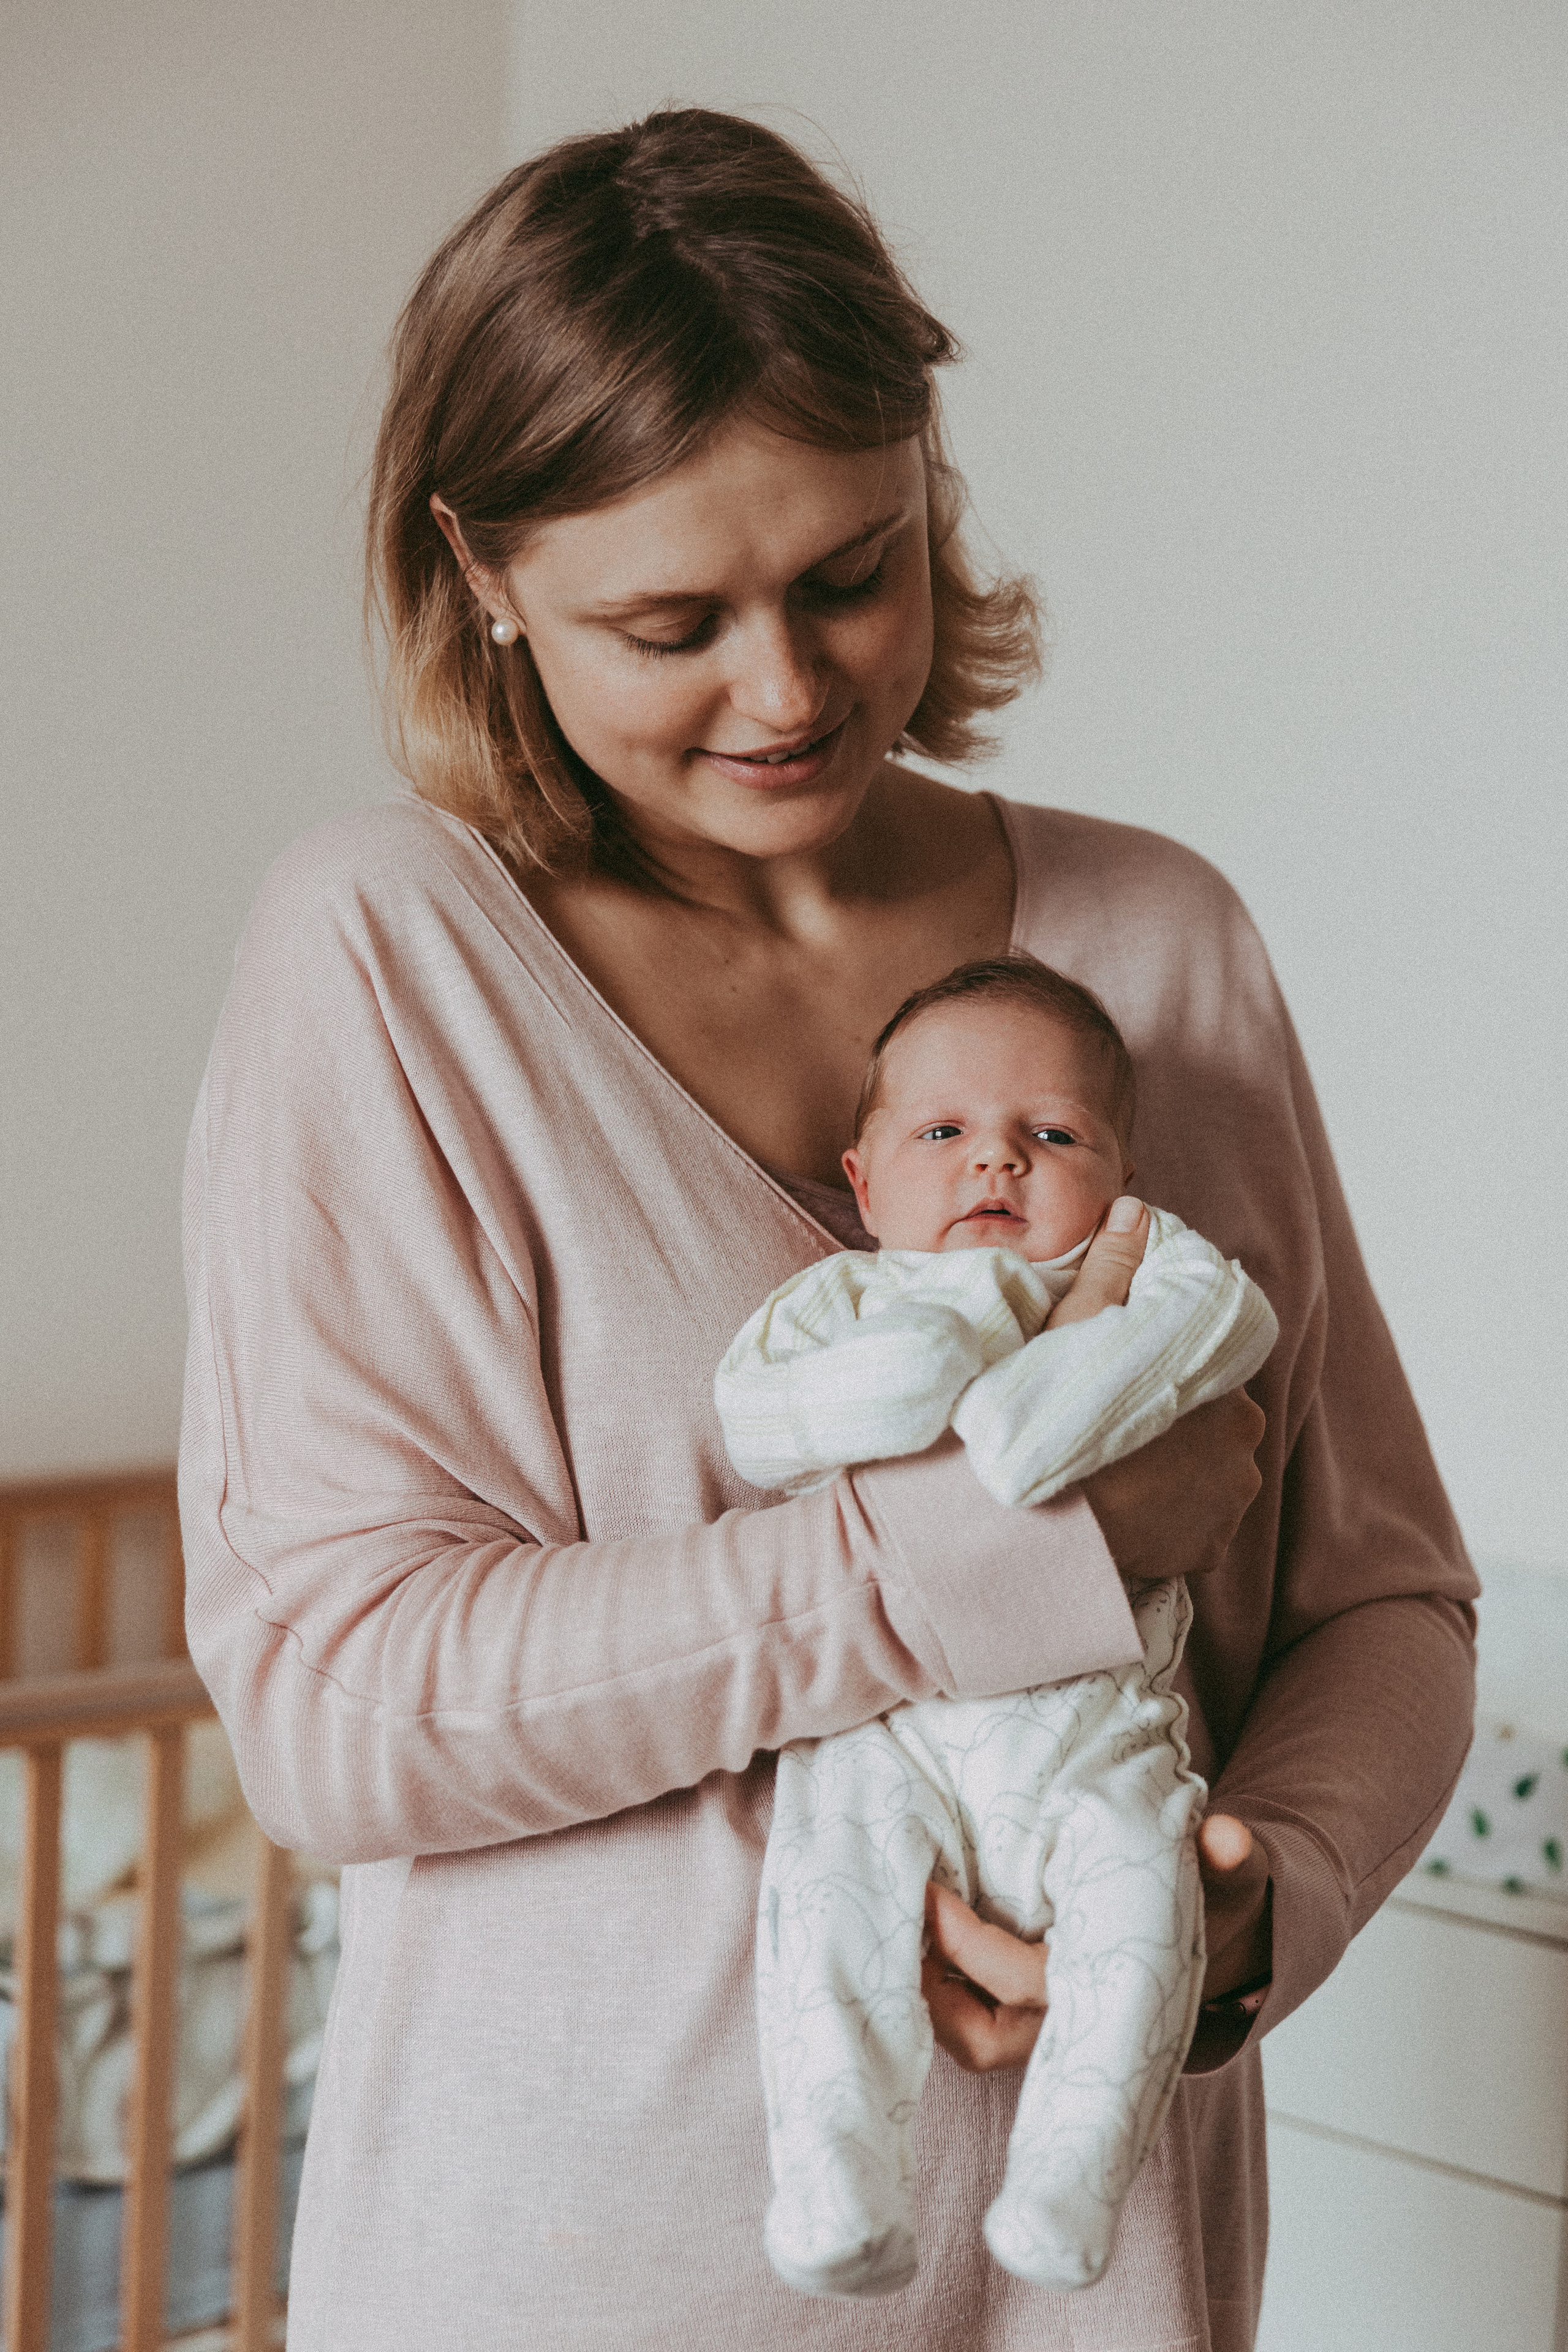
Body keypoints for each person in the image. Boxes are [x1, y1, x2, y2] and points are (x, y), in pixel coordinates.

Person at [177, 108, 1477, 2352]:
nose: (786, 694)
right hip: (573, 2281)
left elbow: (1386, 1601)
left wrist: (1253, 1903)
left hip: (1101, 2284)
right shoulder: (394, 959)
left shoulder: (1154, 946)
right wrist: (991, 1566)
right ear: (480, 570)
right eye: (670, 623)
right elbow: (339, 1708)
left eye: (851, 574)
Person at [714, 955, 1278, 2299]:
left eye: (1053, 1134)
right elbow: (757, 1416)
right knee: (823, 1906)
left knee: (1139, 1901)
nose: (995, 1165)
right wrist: (940, 1361)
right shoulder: (847, 1304)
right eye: (941, 1133)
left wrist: (1042, 1393)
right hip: (877, 1722)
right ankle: (836, 2183)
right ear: (861, 1181)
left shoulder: (1145, 1270)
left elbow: (1225, 1323)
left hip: (1089, 1723)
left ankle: (1071, 2174)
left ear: (1119, 1169)